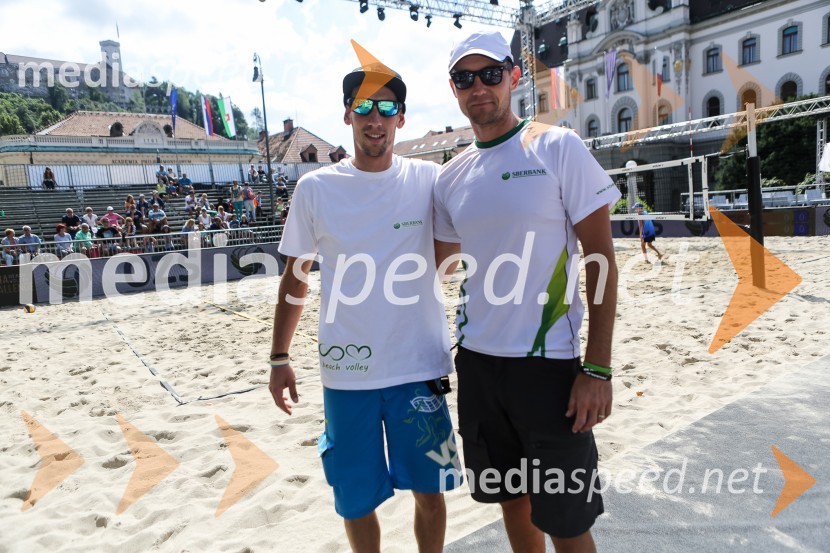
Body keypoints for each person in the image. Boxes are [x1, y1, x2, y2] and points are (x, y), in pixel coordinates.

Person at [433, 32, 620, 553]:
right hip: (476, 365)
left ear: (513, 76)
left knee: (566, 520)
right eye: (465, 79)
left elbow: (602, 259)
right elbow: (442, 265)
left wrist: (598, 368)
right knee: (511, 503)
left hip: (549, 368)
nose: (479, 88)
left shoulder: (557, 146)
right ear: (453, 88)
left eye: (490, 74)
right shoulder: (449, 178)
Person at [268, 63, 459, 553]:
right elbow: (296, 277)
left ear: (401, 118)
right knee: (354, 501)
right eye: (364, 108)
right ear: (348, 116)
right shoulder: (316, 187)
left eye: (387, 108)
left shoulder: (429, 180)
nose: (375, 119)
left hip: (418, 365)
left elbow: (453, 258)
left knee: (431, 493)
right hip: (347, 370)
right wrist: (278, 357)